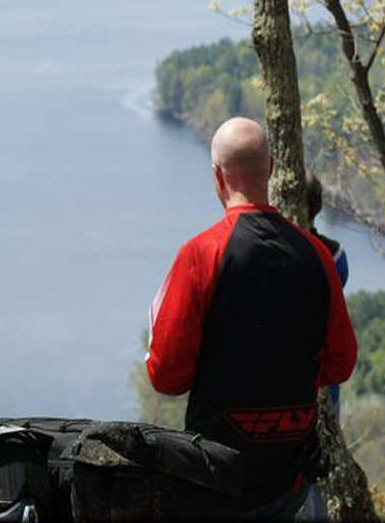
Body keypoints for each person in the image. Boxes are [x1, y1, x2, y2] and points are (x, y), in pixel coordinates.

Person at [145, 117, 356, 520]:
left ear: (217, 177)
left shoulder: (200, 255)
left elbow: (166, 374)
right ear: (272, 168)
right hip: (289, 478)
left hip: (216, 476)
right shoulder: (317, 257)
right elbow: (340, 363)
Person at [298, 172, 351, 521]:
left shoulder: (305, 259)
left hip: (299, 389)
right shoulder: (336, 256)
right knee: (315, 470)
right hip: (328, 388)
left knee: (301, 478)